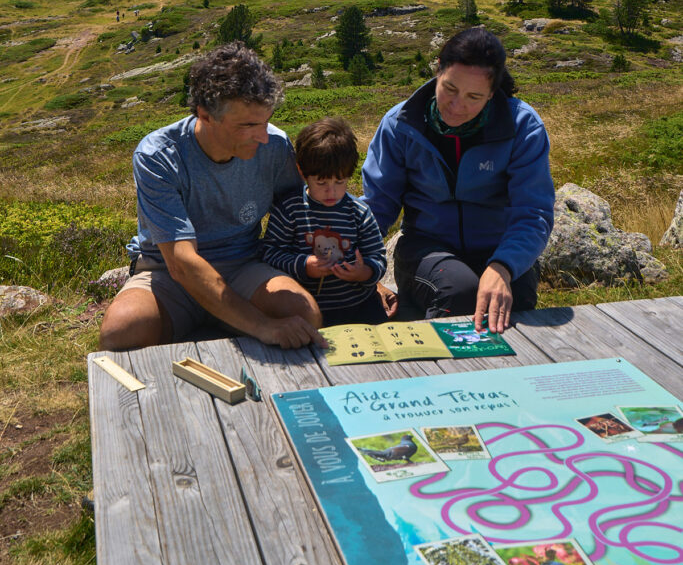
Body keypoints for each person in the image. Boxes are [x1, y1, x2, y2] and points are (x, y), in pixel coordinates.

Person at [99, 43, 326, 351]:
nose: (262, 135)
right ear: (205, 115)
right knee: (121, 332)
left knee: (303, 315)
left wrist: (363, 281)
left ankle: (215, 323)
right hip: (167, 274)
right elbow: (181, 262)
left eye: (265, 120)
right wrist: (263, 327)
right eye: (247, 125)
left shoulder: (274, 144)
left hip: (243, 265)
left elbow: (306, 214)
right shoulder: (159, 155)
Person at [362, 26, 554, 334]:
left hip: (500, 248)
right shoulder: (401, 125)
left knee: (513, 295)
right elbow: (377, 206)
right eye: (449, 89)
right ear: (438, 68)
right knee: (459, 291)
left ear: (493, 93)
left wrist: (503, 266)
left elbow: (534, 213)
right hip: (426, 248)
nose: (456, 105)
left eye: (474, 96)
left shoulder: (522, 127)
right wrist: (361, 270)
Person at [261, 117, 387, 325]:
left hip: (360, 307)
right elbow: (270, 253)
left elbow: (377, 256)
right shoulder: (290, 209)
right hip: (307, 310)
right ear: (302, 171)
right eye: (321, 182)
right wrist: (304, 265)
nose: (332, 191)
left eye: (340, 182)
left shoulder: (359, 212)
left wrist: (363, 273)